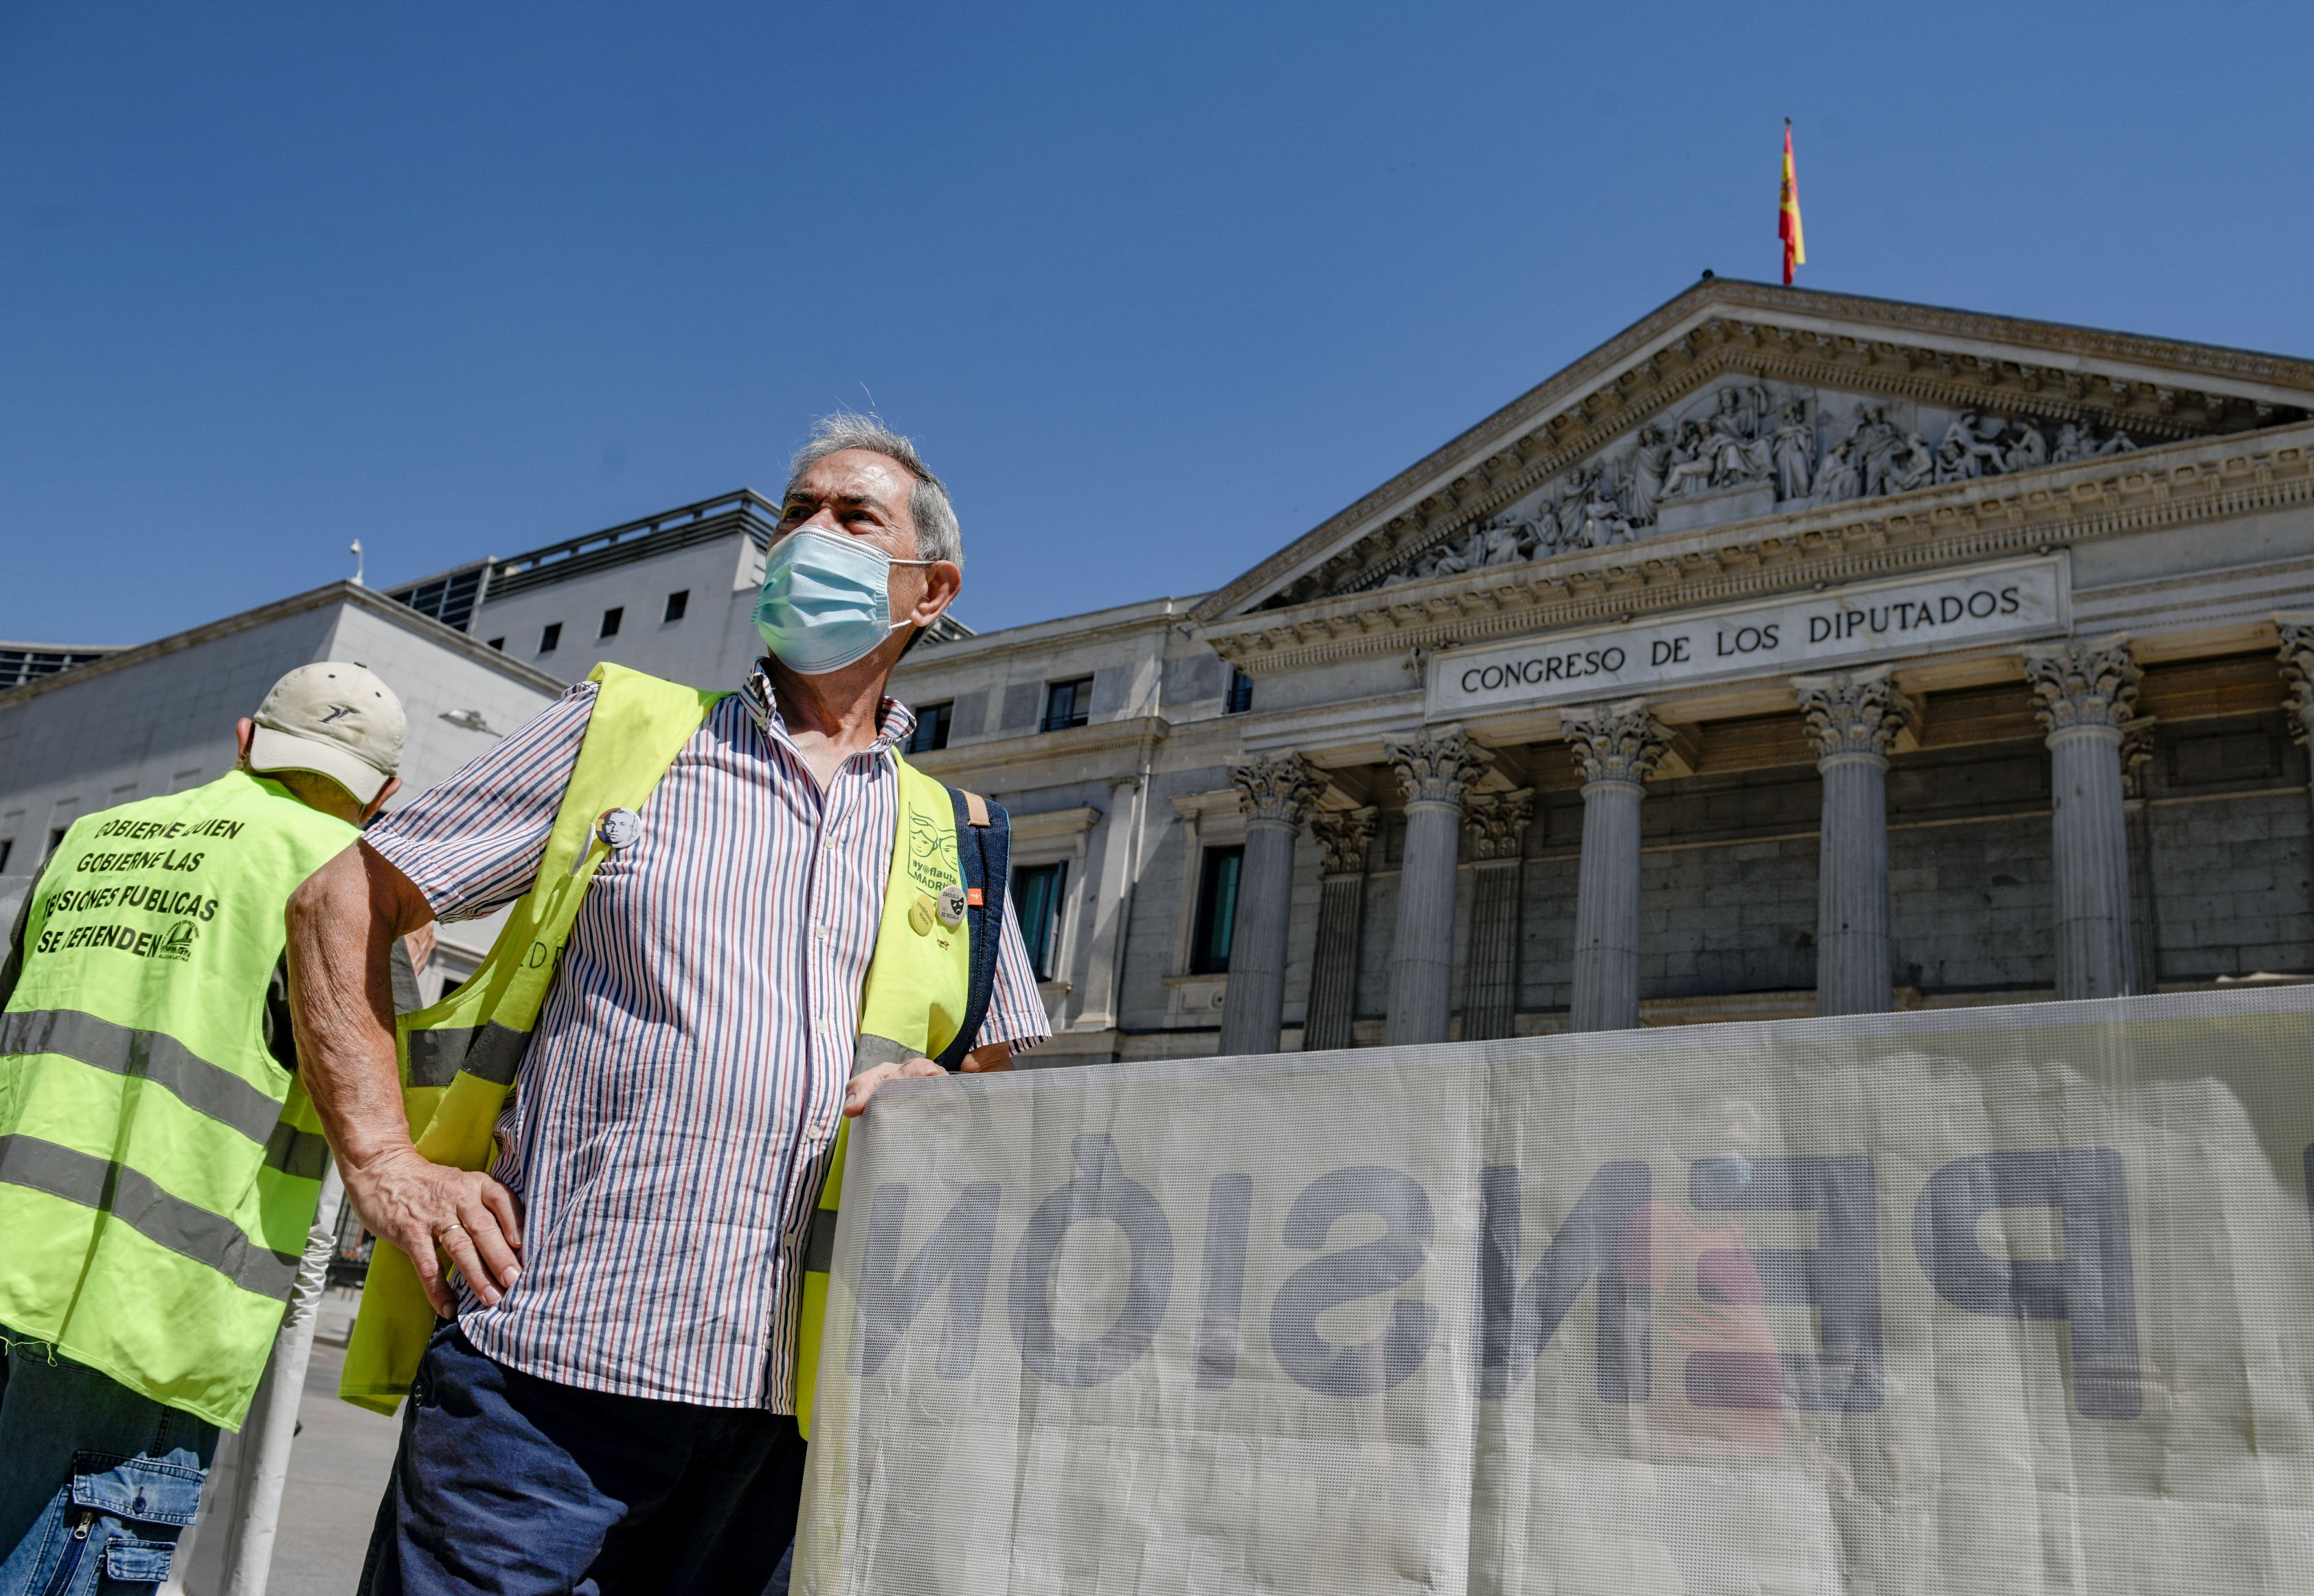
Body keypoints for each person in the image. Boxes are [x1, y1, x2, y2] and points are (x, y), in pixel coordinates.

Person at [286, 415, 1051, 1596]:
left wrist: (943, 1101)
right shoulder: (628, 730)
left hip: (788, 1415)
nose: (807, 536)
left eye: (852, 518)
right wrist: (384, 1162)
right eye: (797, 513)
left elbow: (998, 1100)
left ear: (928, 589)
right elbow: (343, 897)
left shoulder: (965, 838)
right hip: (545, 1377)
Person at [0, 662, 407, 1596]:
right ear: (382, 792)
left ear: (244, 738)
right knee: (80, 1538)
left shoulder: (92, 840)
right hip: (149, 1300)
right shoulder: (340, 873)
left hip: (16, 1248)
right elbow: (386, 1101)